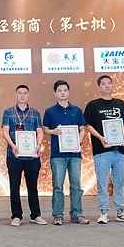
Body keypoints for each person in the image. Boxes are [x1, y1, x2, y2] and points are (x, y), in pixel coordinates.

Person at [84, 75, 124, 224]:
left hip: (119, 150)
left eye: (109, 83)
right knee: (102, 183)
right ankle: (104, 212)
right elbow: (87, 125)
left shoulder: (120, 104)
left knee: (119, 182)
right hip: (101, 150)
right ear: (98, 87)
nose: (107, 86)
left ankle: (121, 212)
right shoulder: (93, 105)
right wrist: (100, 137)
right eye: (103, 84)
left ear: (112, 85)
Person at [43, 80, 88, 226]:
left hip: (75, 154)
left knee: (76, 186)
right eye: (59, 90)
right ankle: (58, 215)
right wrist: (53, 131)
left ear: (69, 92)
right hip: (57, 154)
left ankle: (76, 214)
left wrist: (78, 143)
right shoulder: (50, 111)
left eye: (65, 90)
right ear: (55, 93)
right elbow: (45, 130)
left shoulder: (77, 110)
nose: (62, 93)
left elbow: (82, 129)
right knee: (58, 186)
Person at [2, 85, 47, 227]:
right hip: (14, 154)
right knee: (14, 186)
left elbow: (40, 131)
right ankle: (16, 216)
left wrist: (38, 145)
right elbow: (5, 131)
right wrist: (12, 145)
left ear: (28, 95)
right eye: (20, 93)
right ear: (16, 95)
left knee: (32, 186)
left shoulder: (35, 113)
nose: (22, 95)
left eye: (25, 93)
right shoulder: (8, 112)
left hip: (32, 156)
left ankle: (35, 215)